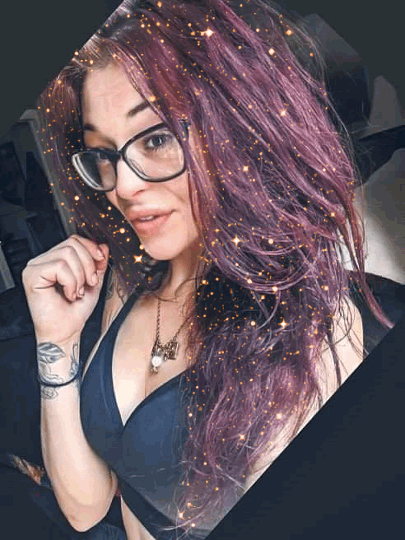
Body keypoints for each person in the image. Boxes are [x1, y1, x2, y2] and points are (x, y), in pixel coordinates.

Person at [20, 0, 389, 539]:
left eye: (156, 138)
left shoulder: (308, 331)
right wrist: (55, 341)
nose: (124, 187)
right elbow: (86, 508)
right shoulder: (129, 279)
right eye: (104, 153)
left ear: (236, 129)